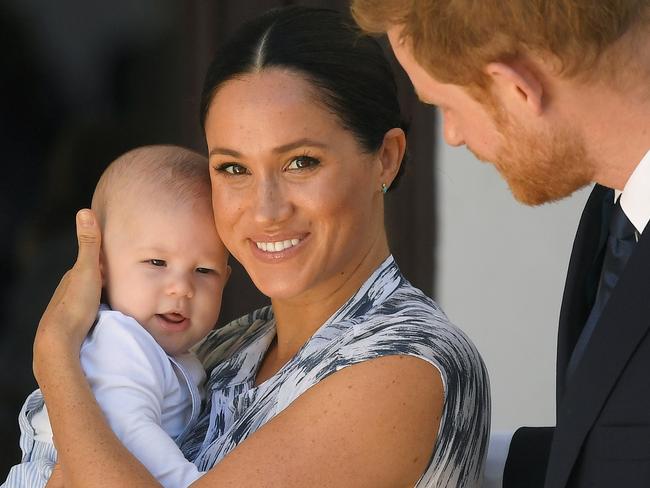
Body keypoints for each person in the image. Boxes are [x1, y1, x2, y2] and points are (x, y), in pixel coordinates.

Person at [29, 6, 490, 488]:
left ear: (386, 159)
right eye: (233, 168)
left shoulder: (405, 364)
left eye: (300, 162)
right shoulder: (229, 346)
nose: (265, 210)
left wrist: (56, 354)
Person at [350, 1, 650, 487]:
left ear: (517, 88)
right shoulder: (614, 208)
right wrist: (437, 452)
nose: (452, 137)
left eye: (445, 107)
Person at [3, 145, 230, 488]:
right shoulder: (120, 342)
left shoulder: (167, 351)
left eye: (204, 270)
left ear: (226, 279)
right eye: (157, 263)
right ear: (101, 267)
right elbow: (128, 433)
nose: (182, 288)